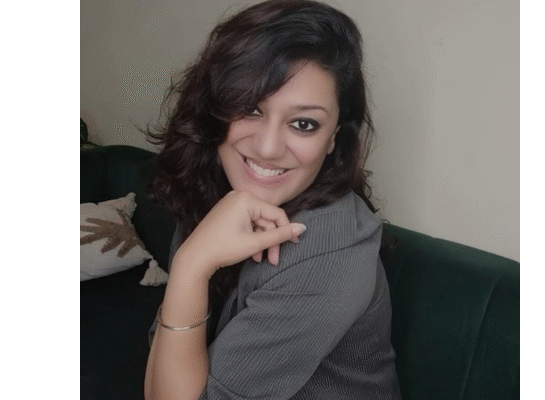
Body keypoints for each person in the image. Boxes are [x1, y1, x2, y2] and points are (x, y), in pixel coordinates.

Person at [144, 0, 401, 398]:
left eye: (304, 124)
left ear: (332, 138)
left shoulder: (328, 252)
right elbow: (162, 373)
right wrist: (193, 263)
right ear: (215, 110)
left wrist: (190, 265)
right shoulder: (218, 194)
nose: (267, 148)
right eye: (250, 108)